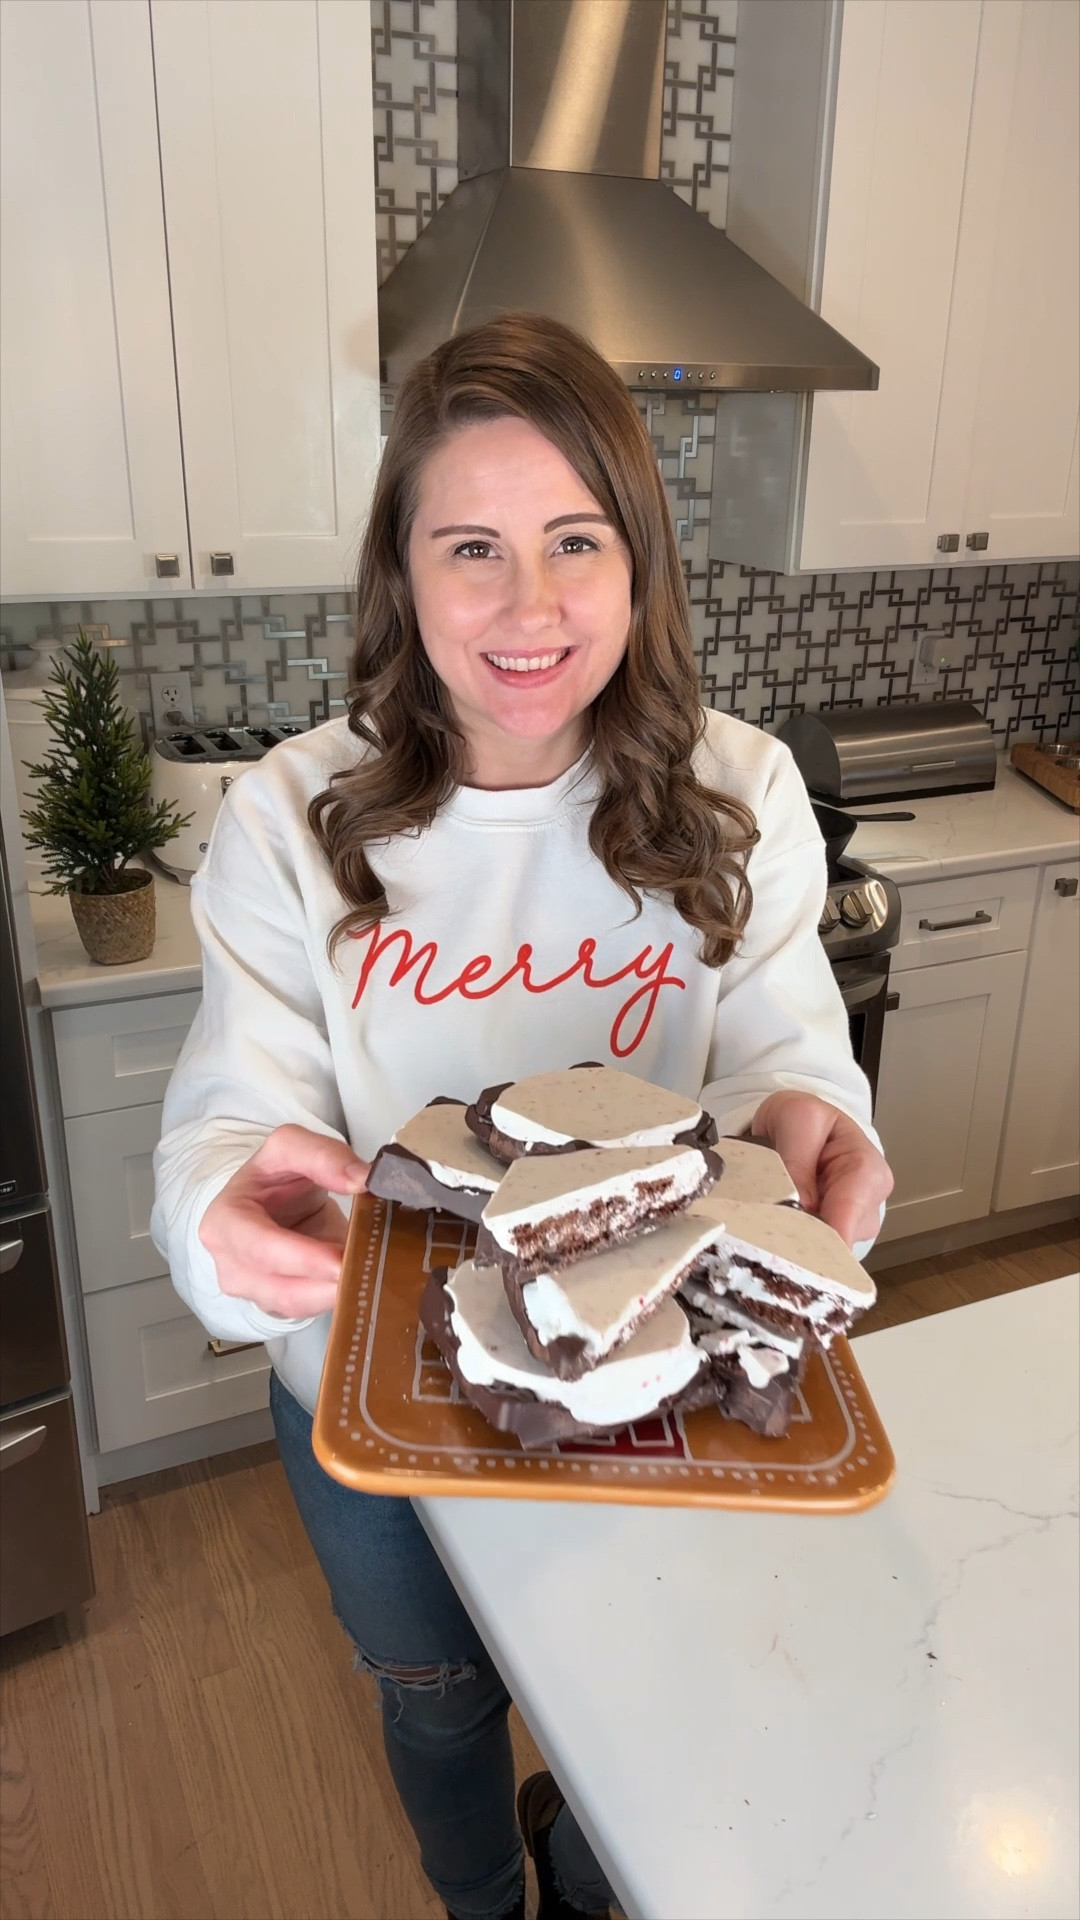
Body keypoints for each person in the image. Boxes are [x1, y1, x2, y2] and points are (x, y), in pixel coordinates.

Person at [152, 311, 893, 1920]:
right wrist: (218, 1211)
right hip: (378, 1399)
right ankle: (485, 1900)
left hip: (662, 1366)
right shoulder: (288, 820)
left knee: (653, 1672)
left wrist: (810, 1115)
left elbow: (786, 1054)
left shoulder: (740, 790)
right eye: (472, 547)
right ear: (401, 574)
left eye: (576, 540)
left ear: (639, 563)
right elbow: (230, 1116)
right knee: (435, 1697)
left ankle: (590, 1871)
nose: (531, 604)